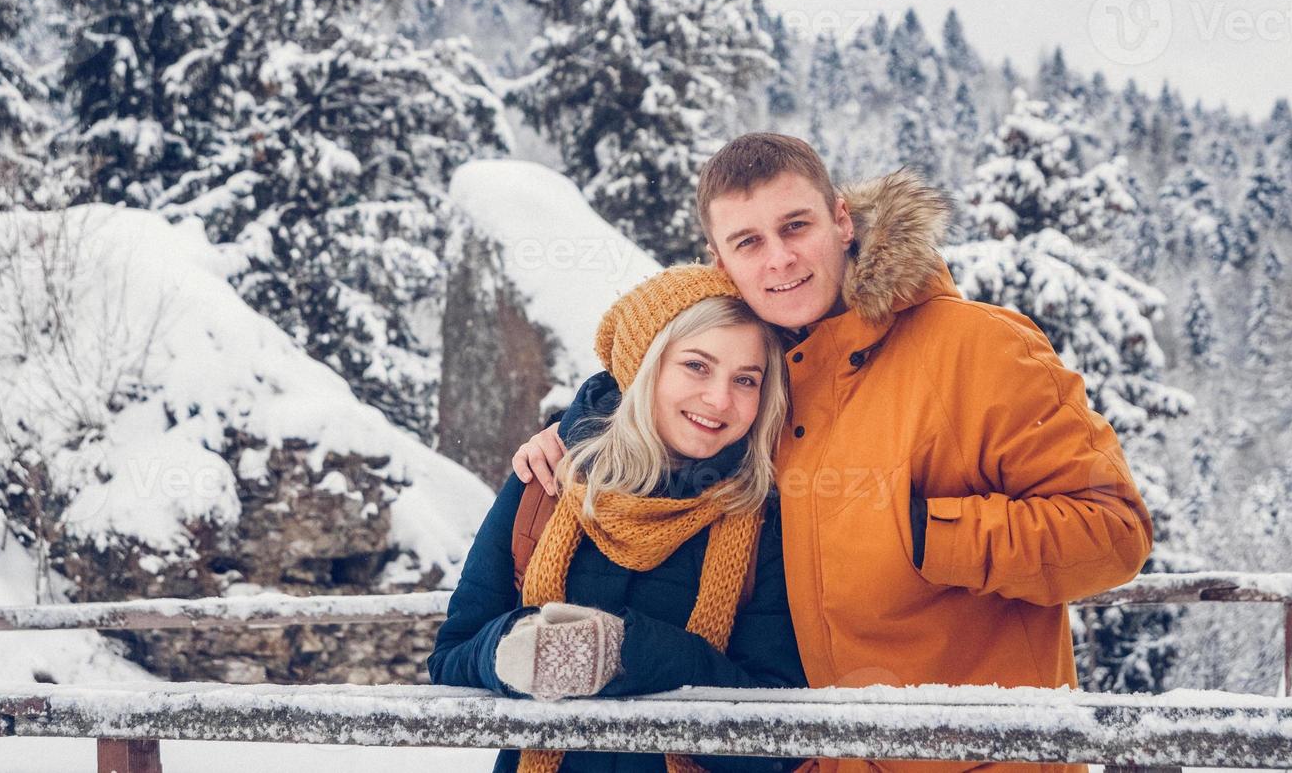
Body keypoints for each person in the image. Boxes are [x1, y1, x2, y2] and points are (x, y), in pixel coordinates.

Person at [514, 134, 1154, 773]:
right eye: (749, 242)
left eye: (797, 226)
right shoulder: (752, 377)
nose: (781, 259)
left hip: (976, 756)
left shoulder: (979, 348)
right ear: (720, 261)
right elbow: (648, 386)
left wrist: (923, 533)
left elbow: (1115, 534)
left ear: (841, 219)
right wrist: (571, 434)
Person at [429, 264, 807, 773]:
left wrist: (629, 653)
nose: (720, 399)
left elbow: (777, 737)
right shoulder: (545, 482)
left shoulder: (766, 521)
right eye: (696, 366)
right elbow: (452, 659)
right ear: (645, 365)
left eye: (745, 379)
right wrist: (522, 645)